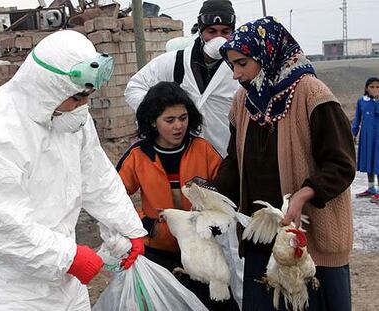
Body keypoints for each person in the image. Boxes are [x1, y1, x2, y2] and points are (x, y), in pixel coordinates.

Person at [0, 30, 147, 310]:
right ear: (50, 87)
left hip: (62, 276)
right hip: (6, 288)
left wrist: (128, 226)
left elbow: (96, 176)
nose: (84, 104)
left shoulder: (71, 118)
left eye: (88, 96)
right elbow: (2, 227)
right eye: (77, 97)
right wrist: (70, 258)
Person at [212, 16, 356, 311]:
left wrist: (303, 194)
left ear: (267, 54)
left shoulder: (312, 95)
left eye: (242, 63)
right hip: (261, 233)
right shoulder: (244, 101)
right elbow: (235, 161)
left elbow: (341, 164)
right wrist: (209, 197)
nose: (236, 75)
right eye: (232, 65)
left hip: (306, 236)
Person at [117, 81, 239, 310]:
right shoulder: (138, 156)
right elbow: (113, 198)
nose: (178, 126)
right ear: (153, 122)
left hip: (200, 253)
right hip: (157, 252)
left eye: (183, 118)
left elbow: (227, 189)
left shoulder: (203, 150)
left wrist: (212, 220)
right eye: (169, 120)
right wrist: (145, 224)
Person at [124, 0, 239, 157]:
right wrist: (159, 111)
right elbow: (134, 87)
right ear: (200, 30)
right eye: (211, 32)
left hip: (225, 157)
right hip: (179, 157)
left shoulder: (240, 67)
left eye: (225, 32)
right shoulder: (175, 62)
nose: (218, 38)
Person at [351, 77, 379, 201]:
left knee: (378, 161)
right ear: (366, 88)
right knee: (369, 160)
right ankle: (371, 188)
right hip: (367, 135)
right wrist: (353, 133)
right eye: (372, 87)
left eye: (378, 87)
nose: (375, 89)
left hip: (378, 136)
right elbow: (357, 118)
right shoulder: (362, 101)